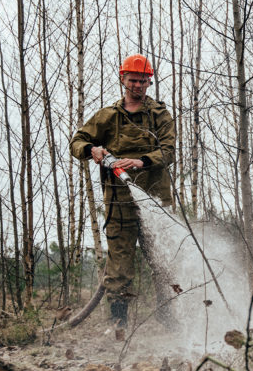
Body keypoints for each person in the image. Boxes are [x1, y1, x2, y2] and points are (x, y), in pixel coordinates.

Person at [70, 54, 177, 331]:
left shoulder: (159, 115)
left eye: (143, 81)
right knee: (118, 269)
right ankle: (119, 325)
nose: (138, 86)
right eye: (133, 80)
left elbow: (169, 152)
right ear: (123, 79)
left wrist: (141, 161)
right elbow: (77, 140)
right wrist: (92, 150)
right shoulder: (108, 116)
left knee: (164, 263)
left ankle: (171, 321)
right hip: (119, 204)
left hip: (155, 201)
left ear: (149, 81)